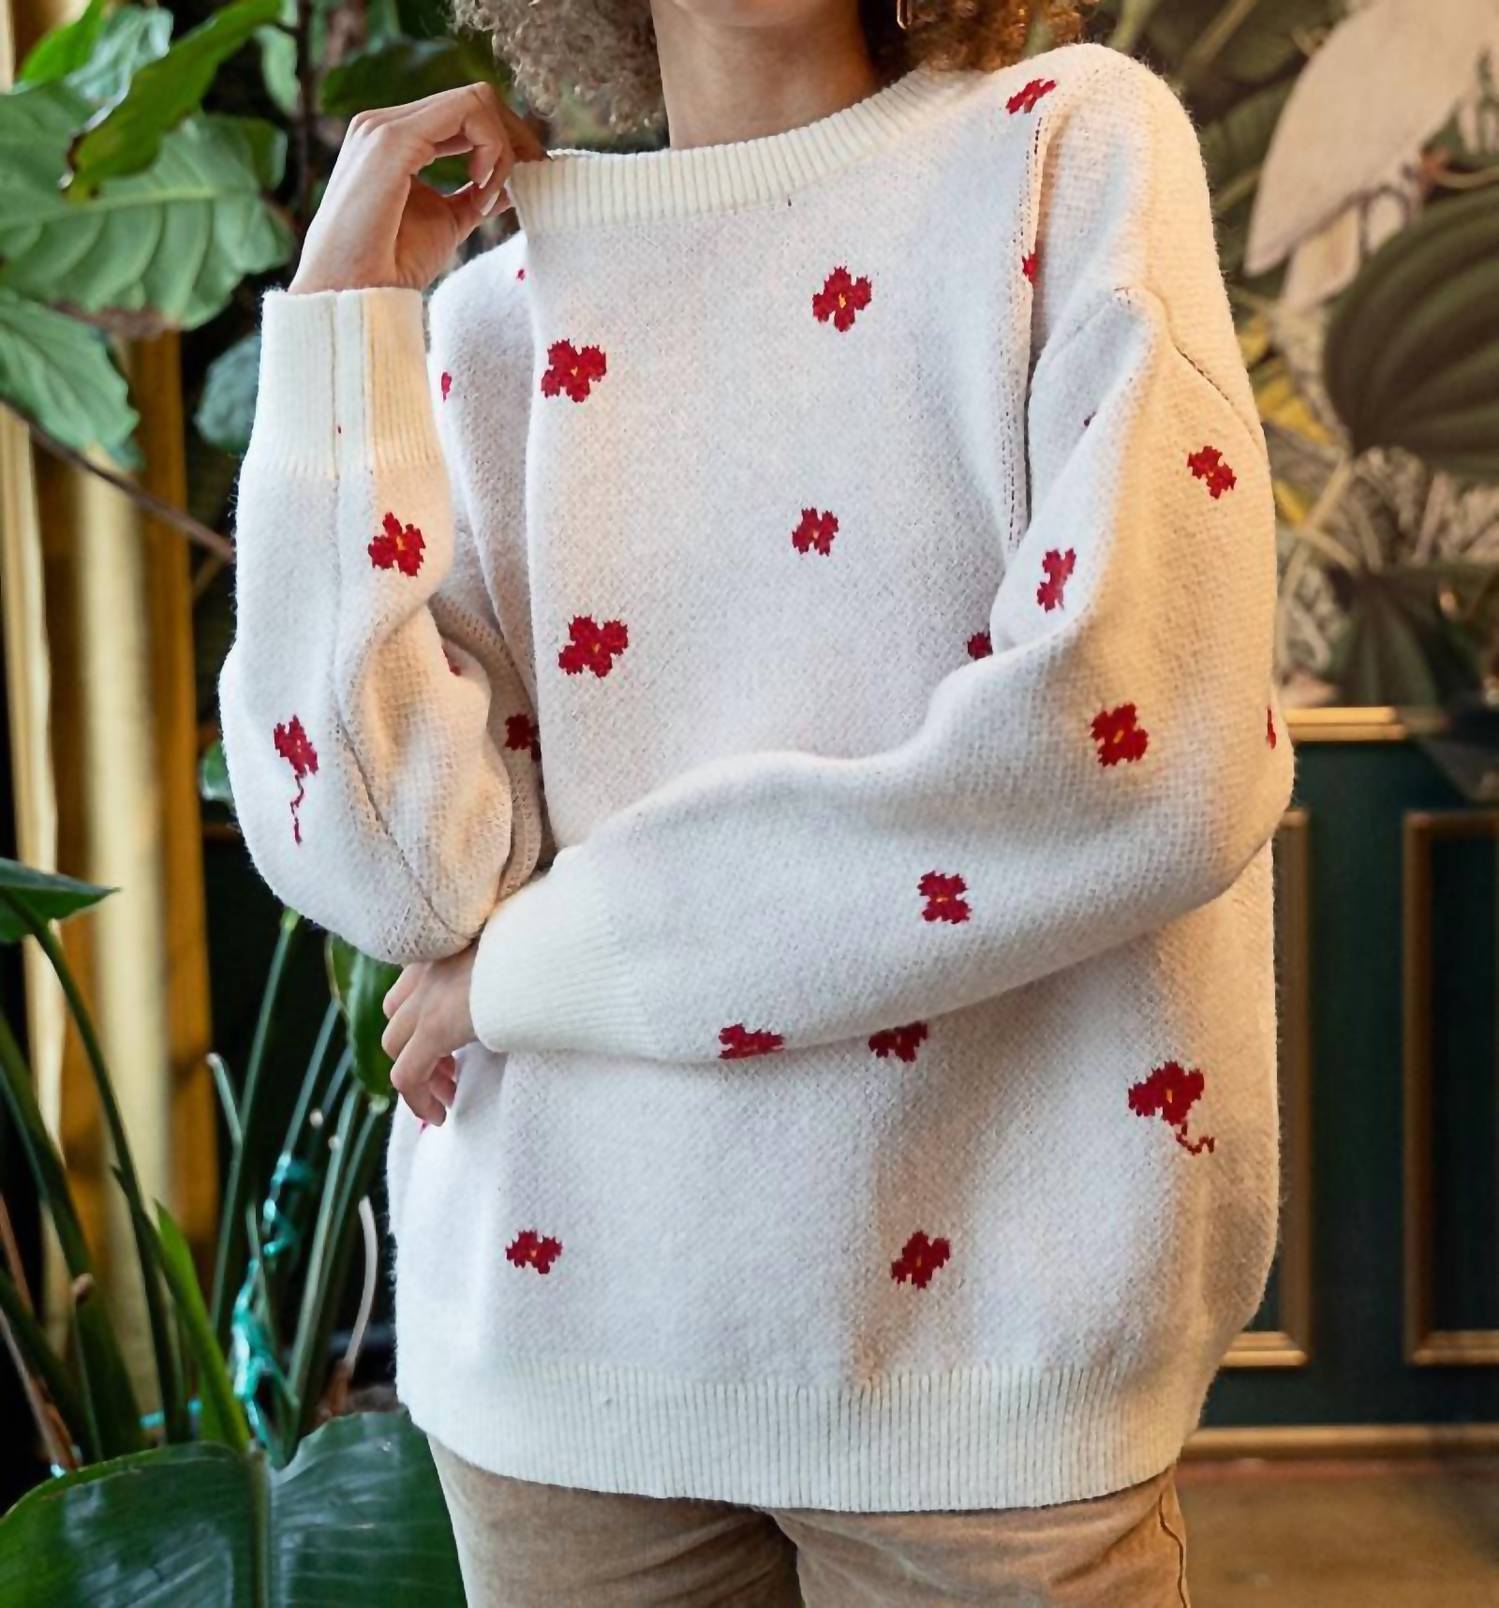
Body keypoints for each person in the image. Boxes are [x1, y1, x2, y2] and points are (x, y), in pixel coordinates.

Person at [217, 0, 1295, 1597]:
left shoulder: (1064, 153)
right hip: (558, 1376)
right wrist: (338, 325)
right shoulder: (496, 321)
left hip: (991, 1381)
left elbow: (1144, 750)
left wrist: (542, 966)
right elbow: (391, 868)